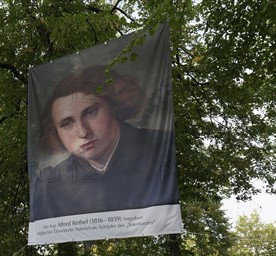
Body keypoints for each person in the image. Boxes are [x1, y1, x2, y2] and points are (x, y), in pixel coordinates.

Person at [30, 65, 179, 221]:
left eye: (90, 112)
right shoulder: (50, 187)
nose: (83, 132)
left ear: (112, 106)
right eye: (67, 123)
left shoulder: (162, 148)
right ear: (56, 132)